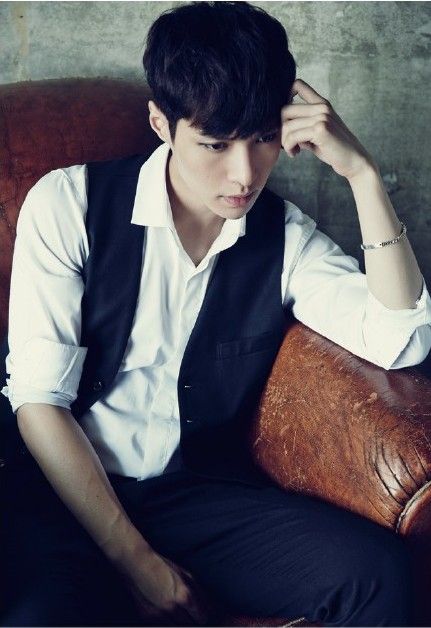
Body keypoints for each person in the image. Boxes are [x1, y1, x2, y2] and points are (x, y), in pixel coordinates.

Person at [1, 2, 431, 626]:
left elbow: (401, 339)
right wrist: (137, 563)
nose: (244, 174)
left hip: (195, 498)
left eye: (263, 139)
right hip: (64, 493)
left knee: (381, 577)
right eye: (214, 144)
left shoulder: (285, 237)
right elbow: (39, 402)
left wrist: (362, 175)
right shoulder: (69, 204)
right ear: (161, 123)